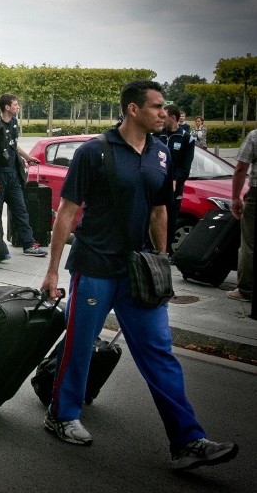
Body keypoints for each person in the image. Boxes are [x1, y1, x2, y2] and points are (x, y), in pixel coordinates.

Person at [40, 80, 238, 471]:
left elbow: (159, 212)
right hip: (94, 266)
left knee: (160, 353)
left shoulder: (161, 155)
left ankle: (188, 440)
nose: (165, 113)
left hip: (138, 271)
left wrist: (161, 262)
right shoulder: (93, 152)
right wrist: (51, 272)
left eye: (164, 108)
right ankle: (61, 415)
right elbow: (67, 213)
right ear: (133, 109)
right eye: (157, 106)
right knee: (80, 344)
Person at [0, 93, 47, 257]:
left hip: (14, 175)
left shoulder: (15, 123)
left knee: (21, 210)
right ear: (7, 107)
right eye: (15, 104)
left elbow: (14, 146)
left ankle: (29, 244)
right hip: (0, 176)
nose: (18, 107)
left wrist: (28, 158)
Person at [154, 104, 195, 255]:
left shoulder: (186, 138)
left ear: (172, 117)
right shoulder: (157, 135)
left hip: (174, 187)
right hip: (157, 184)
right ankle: (152, 248)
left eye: (164, 116)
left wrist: (175, 180)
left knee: (170, 218)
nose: (161, 119)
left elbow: (185, 167)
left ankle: (167, 251)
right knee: (153, 215)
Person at [227, 128, 256, 306]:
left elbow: (241, 169)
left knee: (249, 244)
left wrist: (236, 198)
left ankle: (246, 289)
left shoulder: (254, 136)